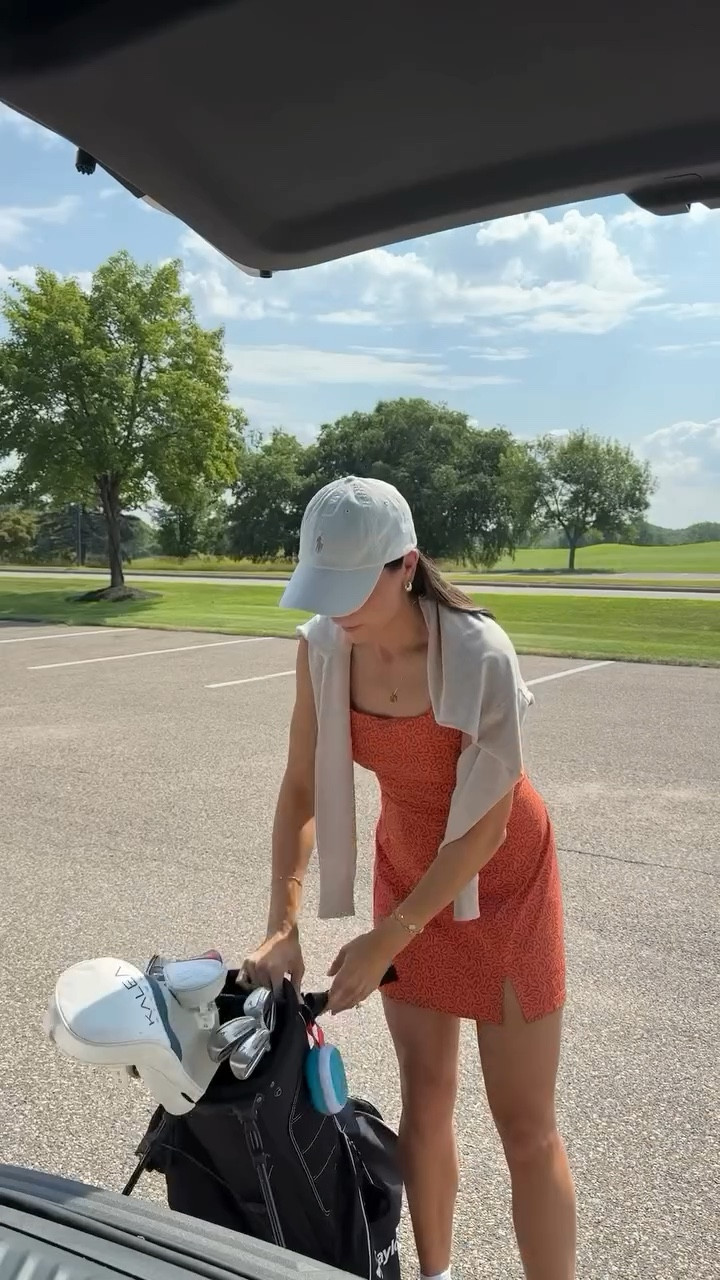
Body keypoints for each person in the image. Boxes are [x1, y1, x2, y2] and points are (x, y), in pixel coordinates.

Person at [243, 476, 576, 1280]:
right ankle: (436, 1276)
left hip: (504, 878)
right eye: (325, 591)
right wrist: (283, 923)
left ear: (405, 566)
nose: (339, 610)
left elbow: (486, 825)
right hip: (407, 869)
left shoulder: (478, 653)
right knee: (423, 1104)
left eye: (355, 589)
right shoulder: (323, 647)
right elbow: (300, 787)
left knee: (524, 1126)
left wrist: (389, 934)